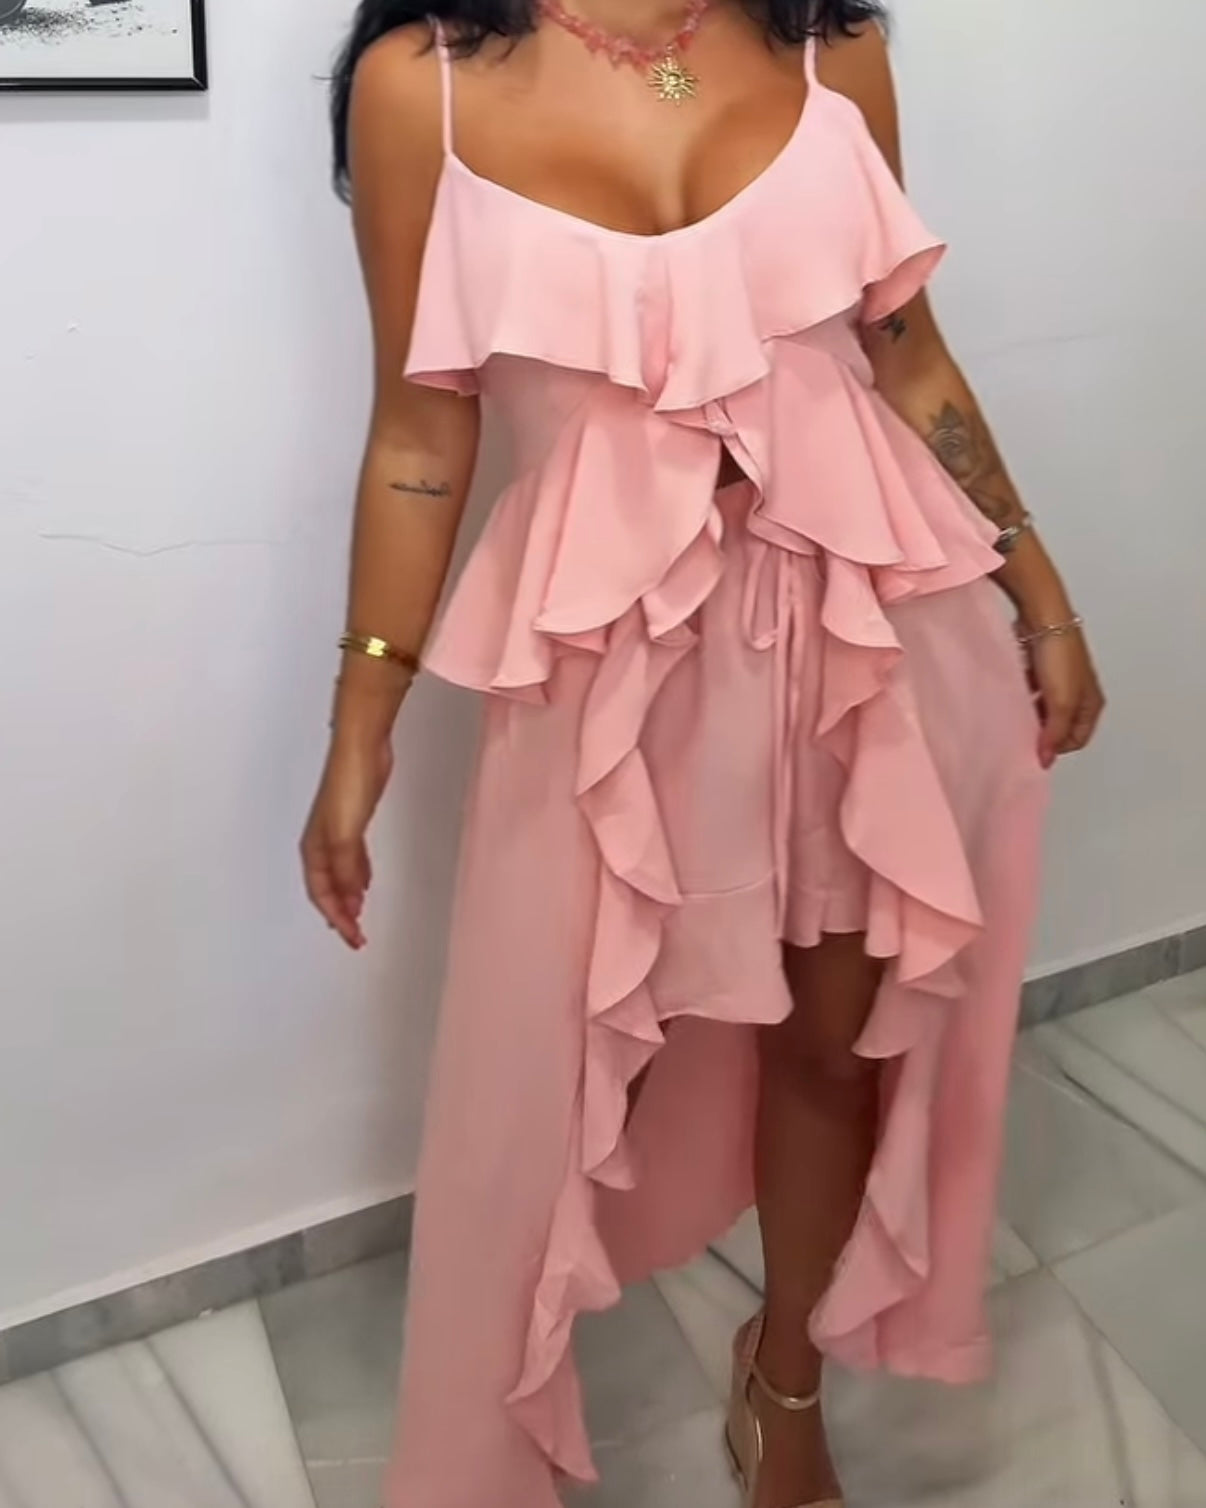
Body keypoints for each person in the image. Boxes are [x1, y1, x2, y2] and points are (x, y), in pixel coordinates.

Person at [301, 0, 1105, 1503]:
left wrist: (1039, 592)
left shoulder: (826, 49)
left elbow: (908, 357)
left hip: (856, 637)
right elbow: (419, 434)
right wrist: (361, 725)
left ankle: (784, 1379)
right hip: (598, 670)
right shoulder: (426, 91)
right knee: (548, 1077)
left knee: (832, 1042)